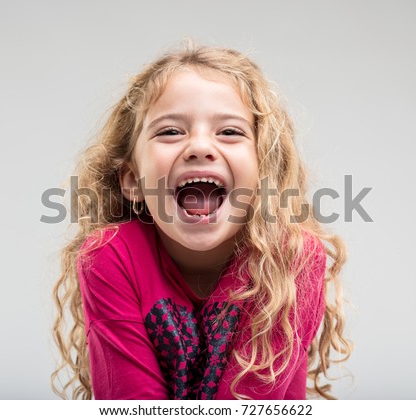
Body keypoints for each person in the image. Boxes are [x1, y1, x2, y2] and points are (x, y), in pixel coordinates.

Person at [51, 42, 351, 400]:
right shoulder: (109, 256)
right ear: (132, 180)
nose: (199, 146)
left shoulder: (293, 259)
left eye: (229, 131)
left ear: (262, 176)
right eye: (170, 132)